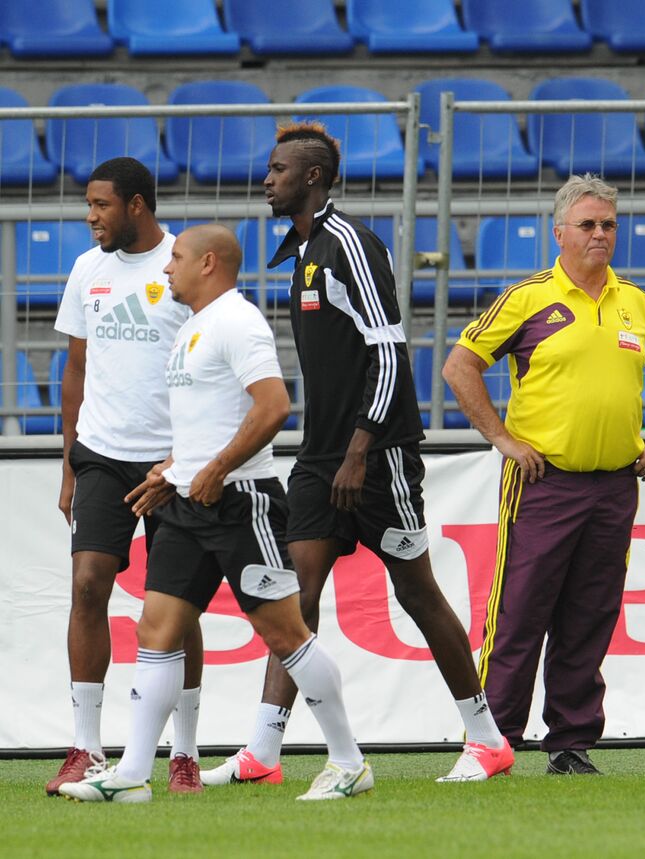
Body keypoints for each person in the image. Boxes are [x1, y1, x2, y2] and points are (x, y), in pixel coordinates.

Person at [201, 122, 511, 787]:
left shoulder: (350, 245)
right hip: (318, 457)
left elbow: (390, 352)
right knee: (293, 593)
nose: (268, 178)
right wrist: (332, 452)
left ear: (313, 177)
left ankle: (486, 738)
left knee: (417, 591)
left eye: (279, 169)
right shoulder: (303, 252)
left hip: (379, 454)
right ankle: (263, 750)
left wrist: (362, 449)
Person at [60, 225, 371, 803]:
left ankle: (349, 761)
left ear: (208, 263)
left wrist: (217, 467)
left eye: (175, 259)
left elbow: (274, 405)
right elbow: (207, 423)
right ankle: (131, 775)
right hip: (187, 503)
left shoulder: (237, 321)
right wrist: (174, 472)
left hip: (240, 504)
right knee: (156, 631)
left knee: (286, 635)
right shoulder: (192, 328)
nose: (165, 268)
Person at [442, 174, 645, 775]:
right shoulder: (527, 297)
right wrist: (502, 438)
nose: (600, 234)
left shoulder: (635, 301)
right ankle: (491, 742)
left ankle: (571, 744)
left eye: (608, 224)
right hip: (544, 483)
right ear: (559, 233)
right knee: (519, 612)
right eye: (588, 224)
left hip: (614, 485)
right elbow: (460, 366)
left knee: (591, 613)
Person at [49, 157, 204, 796]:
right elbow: (76, 369)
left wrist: (190, 459)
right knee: (89, 585)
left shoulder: (185, 264)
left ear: (136, 205)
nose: (91, 217)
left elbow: (213, 367)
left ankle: (184, 753)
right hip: (101, 456)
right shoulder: (88, 269)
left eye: (101, 206)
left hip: (172, 462)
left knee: (177, 608)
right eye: (89, 205)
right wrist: (68, 463)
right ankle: (86, 747)